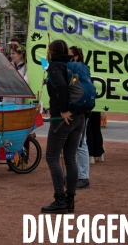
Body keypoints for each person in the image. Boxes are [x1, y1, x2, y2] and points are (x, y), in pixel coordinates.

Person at [42, 40, 85, 214]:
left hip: (62, 118)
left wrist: (63, 109)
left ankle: (60, 199)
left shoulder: (55, 67)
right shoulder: (72, 64)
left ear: (52, 52)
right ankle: (70, 200)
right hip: (79, 116)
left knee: (52, 157)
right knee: (70, 158)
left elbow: (60, 86)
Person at [69, 46, 90, 189]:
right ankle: (74, 174)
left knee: (81, 143)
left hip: (81, 108)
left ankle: (83, 177)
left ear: (76, 57)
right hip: (77, 107)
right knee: (73, 143)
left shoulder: (79, 69)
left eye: (70, 56)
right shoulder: (79, 68)